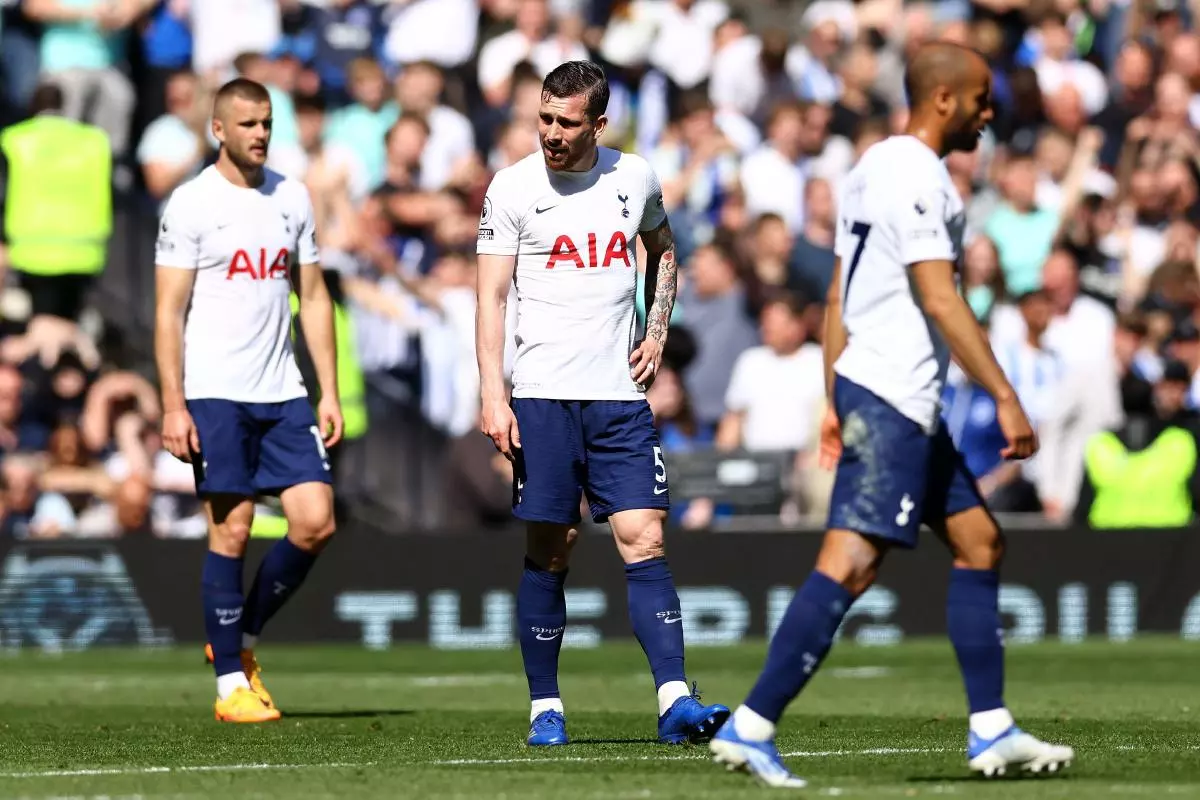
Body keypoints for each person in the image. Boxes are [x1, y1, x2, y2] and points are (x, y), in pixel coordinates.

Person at [707, 42, 1075, 787]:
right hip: (894, 394)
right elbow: (939, 294)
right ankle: (752, 725)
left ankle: (991, 728)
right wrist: (1006, 394)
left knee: (979, 542)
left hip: (881, 394)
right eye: (979, 97)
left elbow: (842, 292)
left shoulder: (871, 165)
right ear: (943, 100)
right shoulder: (916, 175)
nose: (988, 111)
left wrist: (833, 396)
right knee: (852, 561)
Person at [475, 60, 729, 748]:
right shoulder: (513, 189)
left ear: (598, 123)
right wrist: (493, 394)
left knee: (644, 538)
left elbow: (664, 250)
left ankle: (675, 700)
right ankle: (545, 708)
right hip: (543, 396)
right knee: (551, 548)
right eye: (544, 119)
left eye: (567, 122)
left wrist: (657, 328)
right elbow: (491, 298)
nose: (552, 134)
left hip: (618, 398)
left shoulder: (634, 177)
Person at [153, 78, 343, 724]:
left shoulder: (292, 196)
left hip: (284, 391)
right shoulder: (191, 205)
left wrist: (329, 391)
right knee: (231, 528)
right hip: (215, 392)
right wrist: (173, 405)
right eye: (248, 124)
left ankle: (239, 638)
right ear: (218, 130)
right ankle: (231, 684)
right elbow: (167, 312)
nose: (260, 133)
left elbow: (313, 297)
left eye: (266, 122)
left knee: (316, 521)